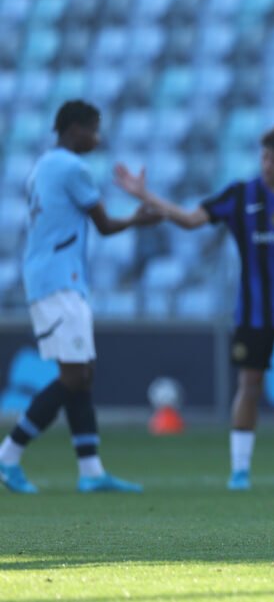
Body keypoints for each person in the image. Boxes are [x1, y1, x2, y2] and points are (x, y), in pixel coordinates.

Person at [115, 126, 274, 491]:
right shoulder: (241, 195)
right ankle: (239, 472)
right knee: (249, 385)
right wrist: (147, 196)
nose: (268, 165)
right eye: (265, 157)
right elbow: (192, 220)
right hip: (254, 314)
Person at [0, 99, 158, 494]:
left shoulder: (43, 165)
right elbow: (103, 225)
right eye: (94, 129)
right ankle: (8, 455)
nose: (97, 138)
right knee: (74, 375)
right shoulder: (72, 168)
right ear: (75, 129)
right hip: (58, 279)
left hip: (52, 276)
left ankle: (91, 472)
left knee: (82, 374)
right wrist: (138, 219)